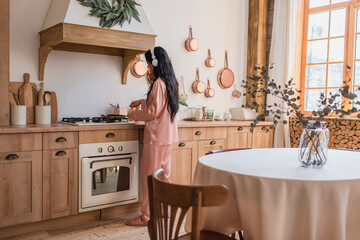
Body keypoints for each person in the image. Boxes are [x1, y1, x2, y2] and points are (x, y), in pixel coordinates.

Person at [125, 46, 179, 226]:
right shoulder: (170, 82)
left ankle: (146, 216)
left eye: (148, 64)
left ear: (154, 63)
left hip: (156, 138)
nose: (148, 67)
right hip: (167, 137)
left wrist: (131, 114)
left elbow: (152, 113)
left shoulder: (157, 84)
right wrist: (141, 102)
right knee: (164, 176)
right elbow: (160, 106)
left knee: (150, 177)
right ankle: (165, 210)